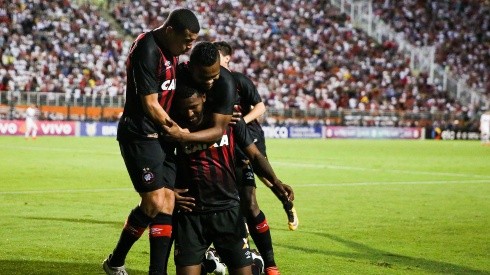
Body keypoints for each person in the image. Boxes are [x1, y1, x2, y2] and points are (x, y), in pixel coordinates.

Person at [103, 9, 200, 275]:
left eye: (194, 40)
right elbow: (149, 104)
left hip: (163, 136)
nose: (190, 45)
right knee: (155, 202)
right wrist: (179, 131)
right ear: (170, 30)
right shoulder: (147, 48)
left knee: (167, 202)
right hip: (141, 134)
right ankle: (114, 261)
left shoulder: (172, 48)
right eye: (187, 39)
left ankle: (155, 272)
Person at [170, 80, 294, 275]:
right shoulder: (175, 126)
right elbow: (159, 159)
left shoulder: (231, 121)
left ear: (204, 98)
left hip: (228, 211)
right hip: (192, 214)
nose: (189, 114)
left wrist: (276, 182)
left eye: (193, 107)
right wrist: (167, 190)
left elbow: (254, 155)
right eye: (184, 108)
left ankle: (258, 264)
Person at [212, 41, 298, 274]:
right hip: (218, 147)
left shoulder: (239, 81)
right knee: (230, 203)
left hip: (246, 138)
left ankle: (285, 205)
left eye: (216, 56)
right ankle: (229, 254)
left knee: (258, 189)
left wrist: (240, 122)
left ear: (227, 59)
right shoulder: (206, 82)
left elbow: (260, 107)